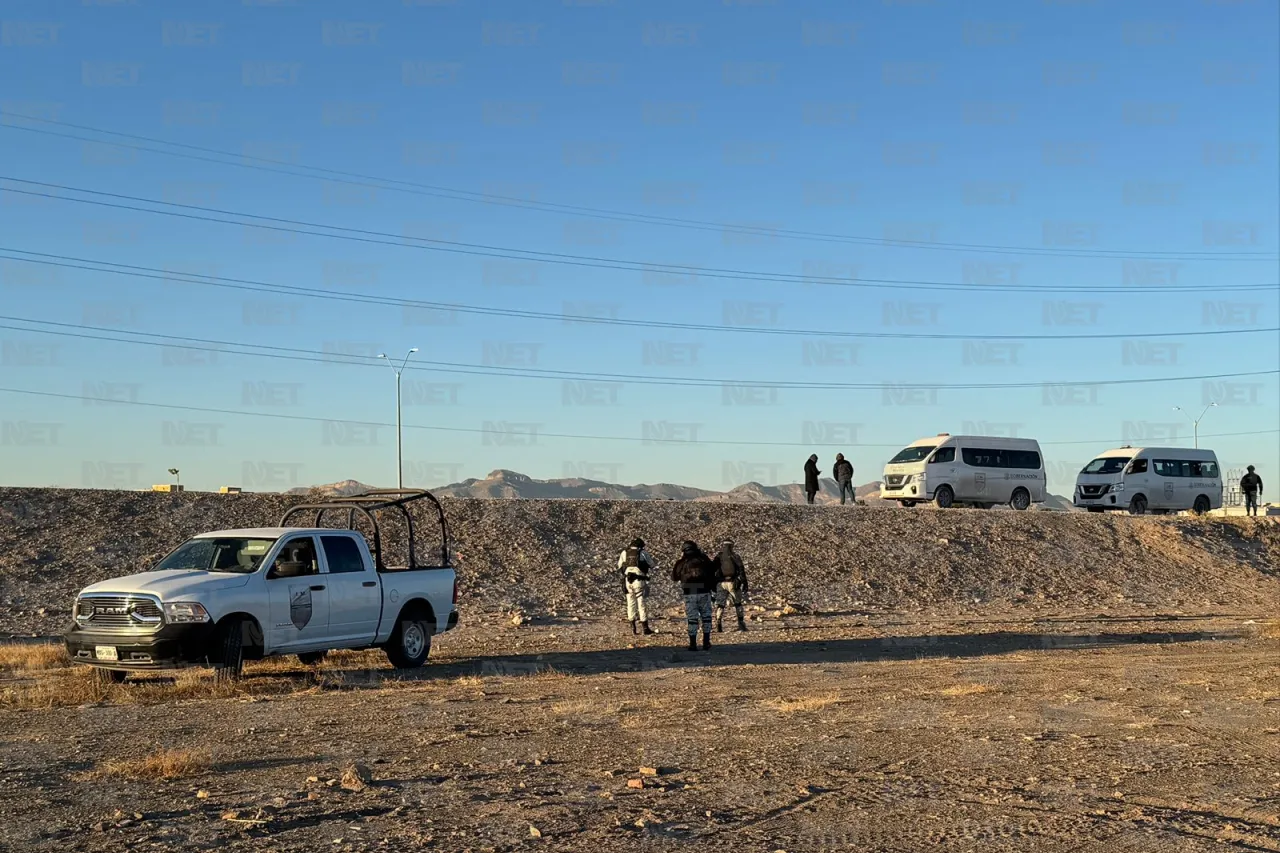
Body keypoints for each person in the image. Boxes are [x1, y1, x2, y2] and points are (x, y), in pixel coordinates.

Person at [671, 540, 718, 651]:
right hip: (704, 592)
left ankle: (693, 644)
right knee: (706, 617)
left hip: (690, 593)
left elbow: (674, 577)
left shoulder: (682, 562)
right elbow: (713, 572)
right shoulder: (703, 559)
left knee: (692, 618)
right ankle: (706, 642)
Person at [617, 537, 658, 635]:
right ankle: (645, 628)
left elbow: (619, 566)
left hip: (628, 581)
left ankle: (633, 628)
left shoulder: (624, 552)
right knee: (641, 604)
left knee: (630, 603)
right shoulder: (643, 553)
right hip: (639, 581)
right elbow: (652, 565)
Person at [711, 539, 749, 633]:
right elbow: (741, 569)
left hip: (721, 584)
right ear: (732, 546)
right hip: (733, 583)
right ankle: (741, 624)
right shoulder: (735, 556)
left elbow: (712, 569)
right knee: (738, 604)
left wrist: (713, 583)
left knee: (720, 605)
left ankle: (719, 623)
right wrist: (744, 582)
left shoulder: (719, 556)